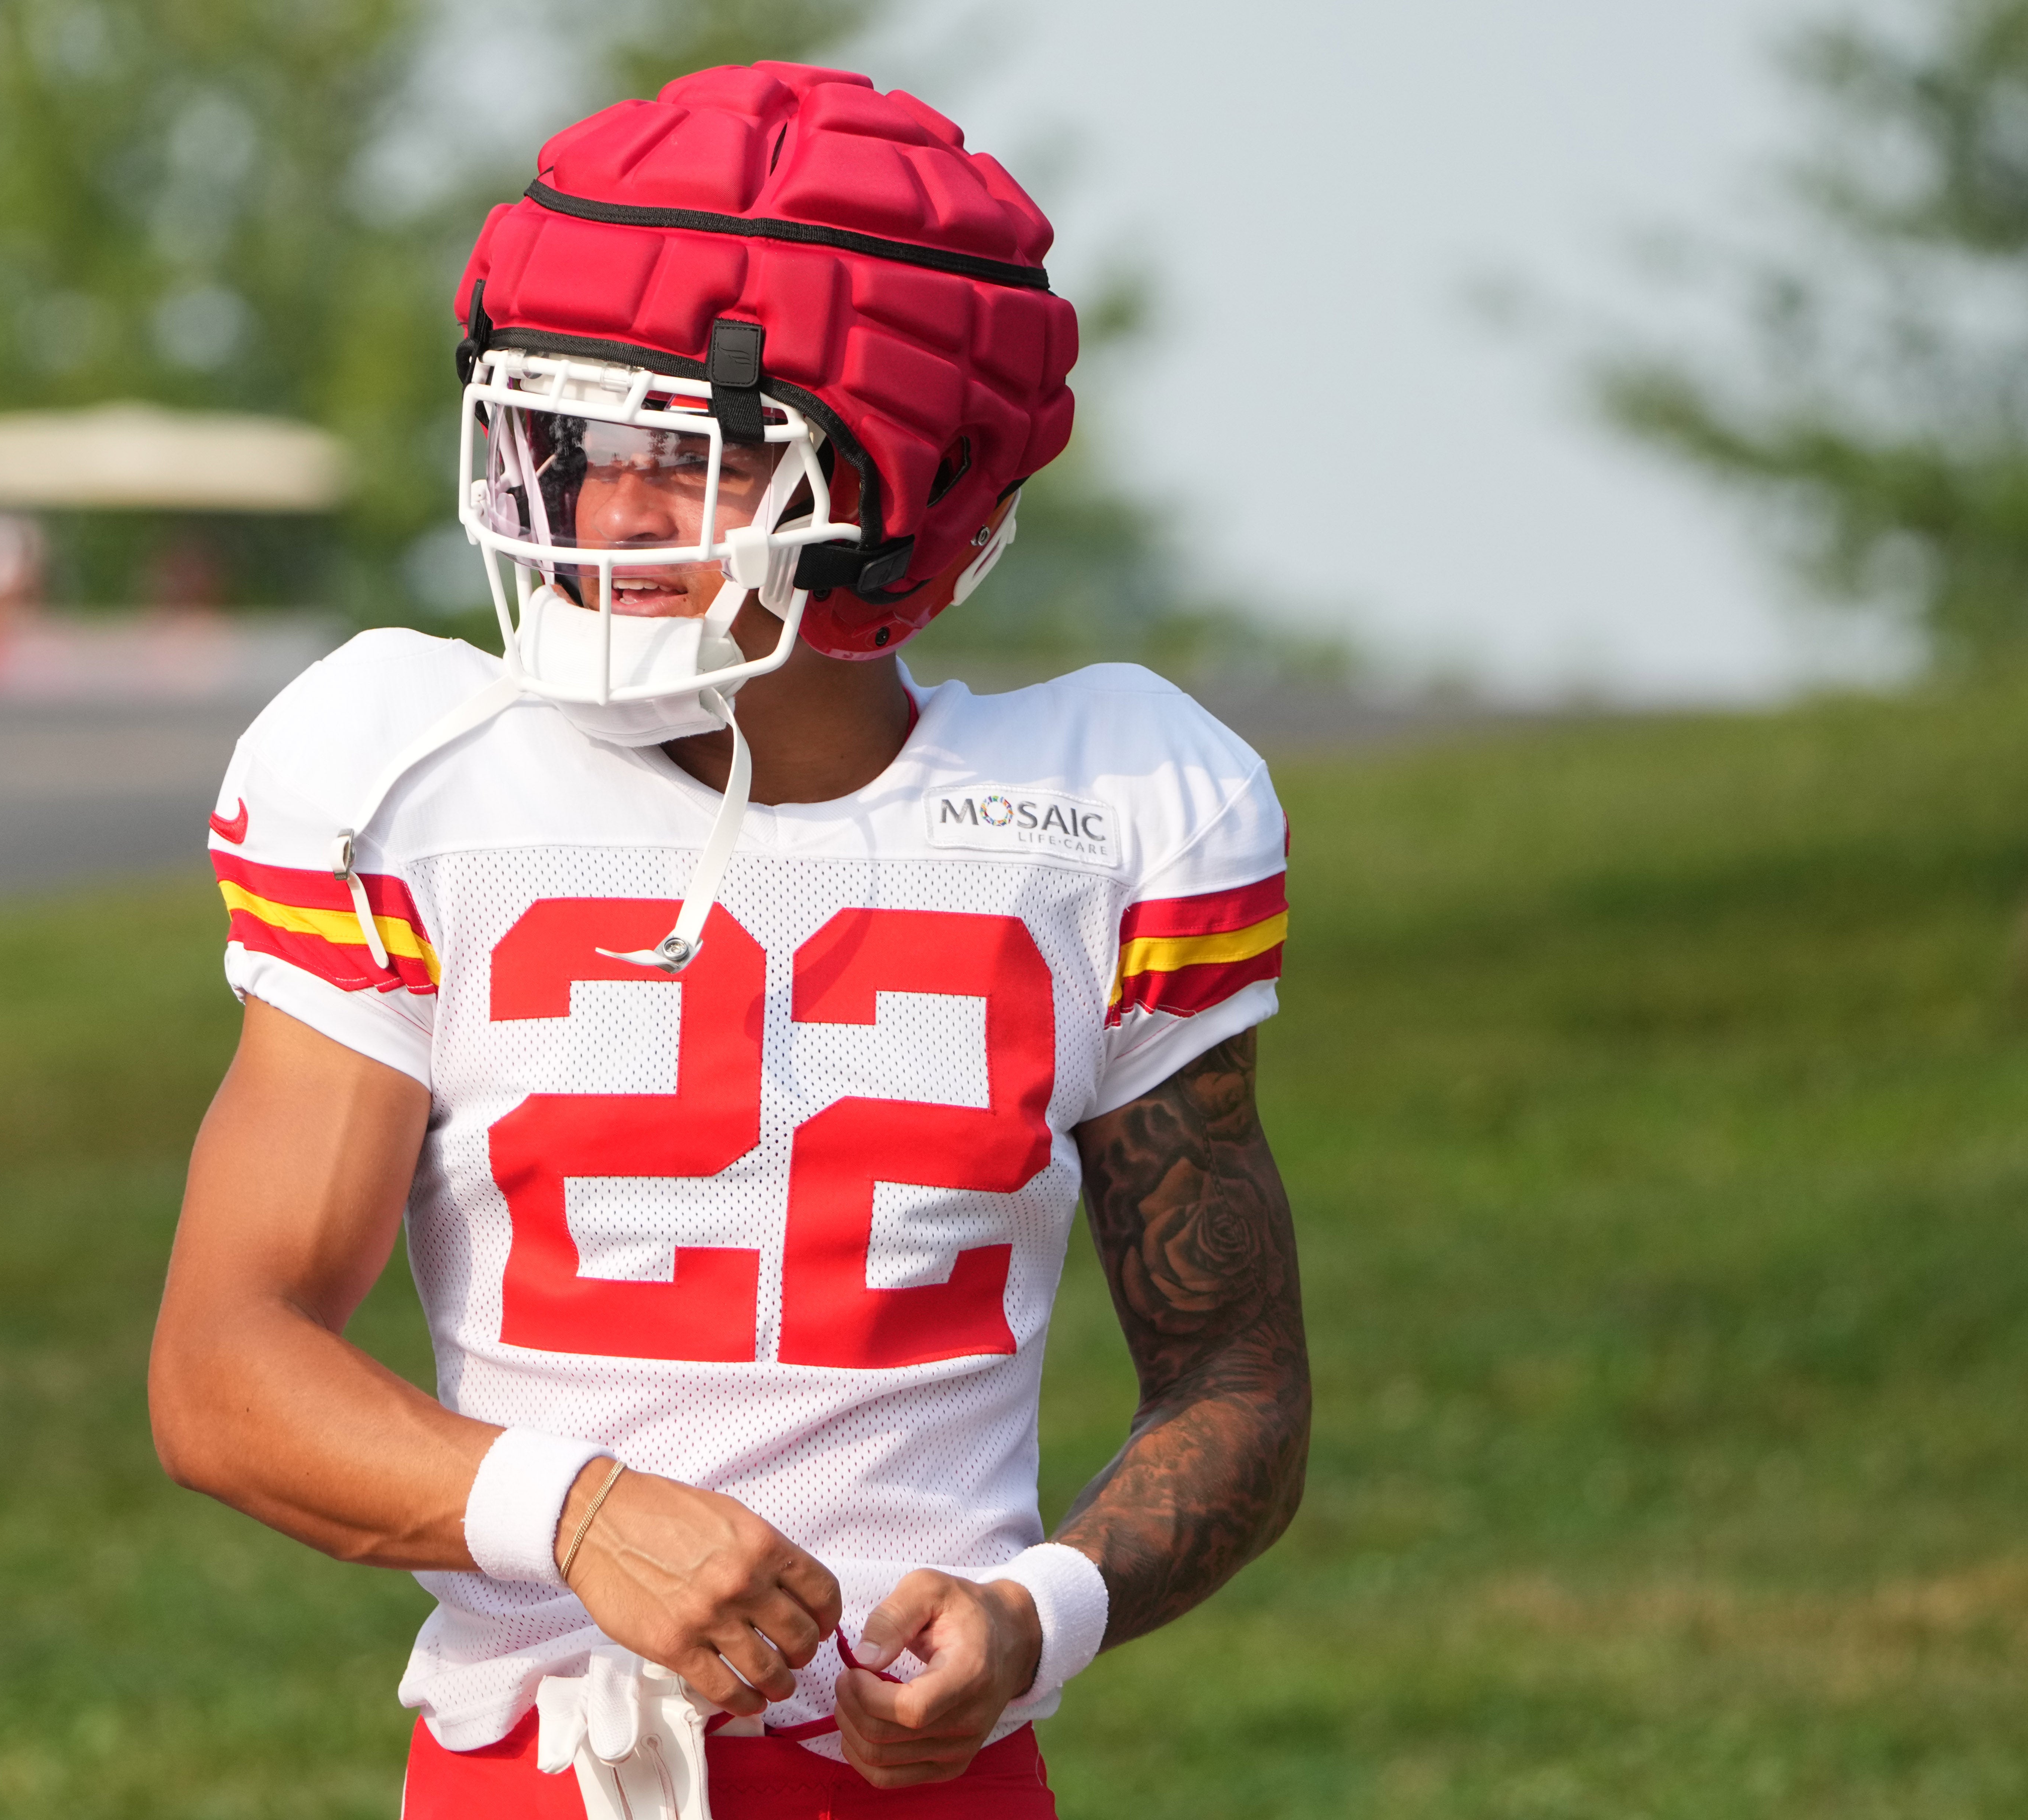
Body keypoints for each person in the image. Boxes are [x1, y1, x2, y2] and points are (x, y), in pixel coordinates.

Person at [149, 62, 1310, 1820]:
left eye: (680, 455)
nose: (597, 517)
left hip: (929, 1783)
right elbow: (222, 1369)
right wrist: (576, 1507)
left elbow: (1233, 1378)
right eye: (569, 442)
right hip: (541, 1774)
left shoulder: (1113, 813)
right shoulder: (410, 774)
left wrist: (1038, 1611)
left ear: (895, 483)